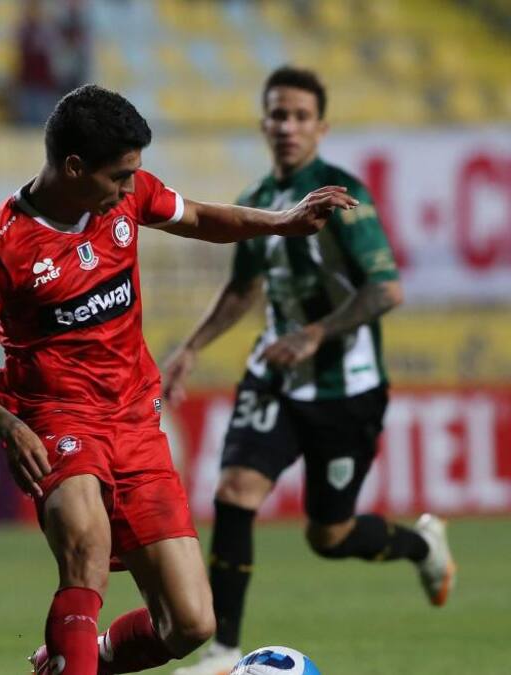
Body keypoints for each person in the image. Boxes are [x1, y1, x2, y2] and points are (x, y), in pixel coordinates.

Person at [0, 84, 360, 675]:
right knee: (86, 547)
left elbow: (204, 217)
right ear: (74, 166)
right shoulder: (0, 251)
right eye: (119, 177)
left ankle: (77, 658)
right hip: (57, 416)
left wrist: (281, 223)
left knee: (190, 624)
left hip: (135, 421)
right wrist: (9, 427)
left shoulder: (127, 197)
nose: (131, 189)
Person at [164, 66, 456, 675]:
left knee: (330, 536)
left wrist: (314, 335)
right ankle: (222, 650)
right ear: (263, 122)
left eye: (300, 116)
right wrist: (191, 348)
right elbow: (243, 290)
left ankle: (423, 545)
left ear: (321, 127)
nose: (287, 126)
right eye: (277, 114)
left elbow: (387, 289)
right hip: (273, 374)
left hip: (345, 388)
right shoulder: (254, 202)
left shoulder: (343, 197)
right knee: (234, 491)